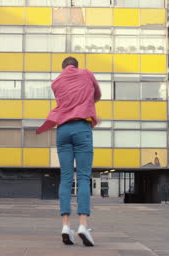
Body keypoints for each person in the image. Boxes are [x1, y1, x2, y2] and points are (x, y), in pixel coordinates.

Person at [36, 57, 101, 246]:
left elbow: (64, 101)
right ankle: (82, 225)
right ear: (76, 66)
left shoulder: (56, 82)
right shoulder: (86, 74)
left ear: (63, 68)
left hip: (62, 130)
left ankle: (65, 226)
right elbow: (97, 95)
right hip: (81, 128)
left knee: (65, 177)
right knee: (82, 177)